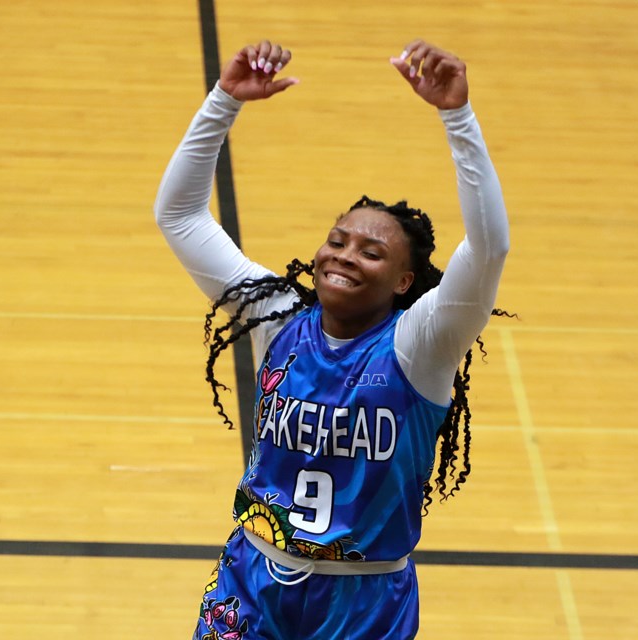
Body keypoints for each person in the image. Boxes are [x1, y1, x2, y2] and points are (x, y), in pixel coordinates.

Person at [155, 38, 510, 640]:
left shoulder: (421, 343)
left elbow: (489, 247)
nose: (343, 257)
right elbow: (181, 215)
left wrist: (458, 116)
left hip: (364, 601)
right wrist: (223, 101)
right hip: (251, 581)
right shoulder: (278, 316)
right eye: (338, 240)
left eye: (371, 252)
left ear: (404, 281)